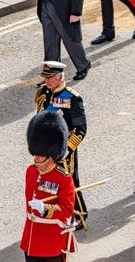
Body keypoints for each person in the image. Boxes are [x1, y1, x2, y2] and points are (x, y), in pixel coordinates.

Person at [35, 61, 88, 230]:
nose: (46, 80)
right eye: (45, 77)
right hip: (45, 148)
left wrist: (66, 150)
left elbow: (80, 129)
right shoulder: (43, 91)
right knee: (49, 181)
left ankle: (79, 214)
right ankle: (54, 211)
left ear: (60, 78)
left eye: (49, 78)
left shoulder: (73, 98)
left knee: (69, 181)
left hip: (63, 149)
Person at [21, 111, 76, 261]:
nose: (37, 158)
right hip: (31, 237)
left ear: (51, 155)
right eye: (35, 154)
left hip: (51, 240)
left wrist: (45, 209)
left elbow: (67, 210)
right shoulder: (31, 171)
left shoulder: (63, 178)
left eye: (41, 155)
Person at [37, 0, 91, 80]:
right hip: (45, 4)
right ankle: (51, 75)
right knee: (50, 42)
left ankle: (83, 65)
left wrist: (76, 11)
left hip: (63, 7)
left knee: (69, 38)